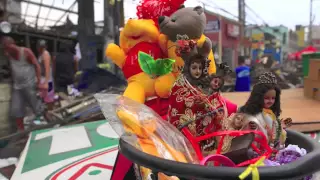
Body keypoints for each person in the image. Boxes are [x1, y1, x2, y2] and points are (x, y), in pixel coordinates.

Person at [239, 72, 292, 149]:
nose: (270, 101)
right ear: (258, 97)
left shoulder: (270, 112)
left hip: (272, 145)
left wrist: (280, 125)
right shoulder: (252, 113)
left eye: (273, 98)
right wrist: (253, 126)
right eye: (266, 98)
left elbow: (274, 128)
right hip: (256, 146)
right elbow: (245, 128)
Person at [2, 36, 43, 132]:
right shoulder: (8, 54)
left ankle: (41, 125)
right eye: (6, 48)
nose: (8, 50)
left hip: (29, 83)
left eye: (9, 47)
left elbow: (37, 66)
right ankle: (21, 131)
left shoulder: (25, 52)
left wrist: (39, 81)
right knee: (16, 108)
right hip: (17, 86)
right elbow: (12, 68)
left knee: (36, 106)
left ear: (14, 44)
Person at [37, 40, 55, 105]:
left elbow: (47, 69)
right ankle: (47, 113)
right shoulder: (41, 54)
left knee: (49, 99)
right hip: (43, 79)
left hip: (47, 80)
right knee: (44, 98)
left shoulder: (45, 54)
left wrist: (46, 83)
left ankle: (50, 113)